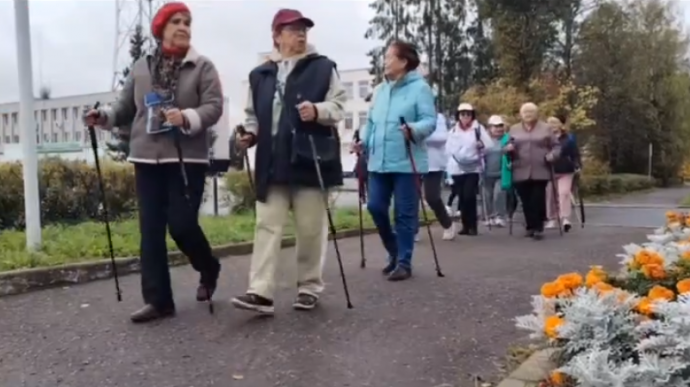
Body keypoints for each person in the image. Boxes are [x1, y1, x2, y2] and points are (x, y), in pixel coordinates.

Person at [84, 1, 224, 323]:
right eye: (176, 21)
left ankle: (209, 267)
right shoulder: (142, 67)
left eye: (187, 21)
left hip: (186, 157)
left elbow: (213, 107)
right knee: (150, 230)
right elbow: (124, 108)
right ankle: (158, 300)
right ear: (161, 28)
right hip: (146, 157)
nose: (184, 26)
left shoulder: (202, 67)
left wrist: (186, 116)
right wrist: (102, 116)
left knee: (182, 224)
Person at [231, 9, 347, 315]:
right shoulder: (260, 75)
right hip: (272, 160)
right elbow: (252, 117)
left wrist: (319, 110)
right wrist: (249, 136)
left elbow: (339, 106)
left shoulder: (323, 68)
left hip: (309, 158)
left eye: (303, 29)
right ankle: (260, 292)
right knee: (266, 226)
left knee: (310, 228)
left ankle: (309, 287)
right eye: (292, 29)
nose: (300, 34)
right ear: (276, 35)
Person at [352, 40, 436, 281]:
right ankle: (394, 249)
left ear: (403, 62)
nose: (385, 61)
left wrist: (413, 129)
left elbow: (429, 121)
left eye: (389, 57)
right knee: (375, 207)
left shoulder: (421, 89)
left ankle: (404, 262)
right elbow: (371, 123)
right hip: (378, 161)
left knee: (404, 214)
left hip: (406, 162)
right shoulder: (380, 91)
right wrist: (362, 142)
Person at [503, 103, 560, 240]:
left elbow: (557, 146)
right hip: (520, 168)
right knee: (525, 200)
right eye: (525, 112)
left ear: (537, 113)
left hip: (540, 168)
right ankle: (530, 226)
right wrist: (508, 149)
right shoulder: (514, 129)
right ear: (520, 114)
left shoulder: (545, 128)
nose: (528, 114)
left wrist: (552, 156)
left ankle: (538, 227)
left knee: (537, 198)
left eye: (531, 112)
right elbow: (505, 147)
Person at [445, 103, 492, 236]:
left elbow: (488, 146)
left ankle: (473, 226)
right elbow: (448, 149)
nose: (465, 117)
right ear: (458, 116)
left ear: (472, 115)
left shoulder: (478, 129)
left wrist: (481, 145)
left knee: (469, 195)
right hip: (457, 168)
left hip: (473, 168)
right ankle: (465, 225)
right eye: (463, 114)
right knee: (462, 197)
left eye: (468, 114)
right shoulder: (453, 131)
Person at [545, 115, 581, 232]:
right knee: (550, 195)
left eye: (555, 124)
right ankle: (552, 218)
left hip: (566, 170)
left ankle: (565, 218)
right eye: (550, 125)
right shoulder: (546, 140)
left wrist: (577, 165)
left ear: (560, 125)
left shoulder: (568, 139)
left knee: (564, 193)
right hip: (550, 170)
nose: (553, 127)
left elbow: (575, 153)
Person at [424, 112, 455, 239]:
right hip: (411, 163)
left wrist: (416, 134)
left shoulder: (437, 117)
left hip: (433, 163)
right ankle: (412, 230)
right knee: (410, 199)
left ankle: (447, 224)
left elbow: (442, 138)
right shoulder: (409, 114)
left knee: (432, 197)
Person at [483, 115, 508, 227]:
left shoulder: (507, 139)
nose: (499, 129)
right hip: (486, 173)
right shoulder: (484, 140)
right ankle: (489, 216)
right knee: (487, 196)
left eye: (501, 126)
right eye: (496, 126)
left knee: (499, 194)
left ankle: (500, 216)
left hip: (501, 173)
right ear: (489, 128)